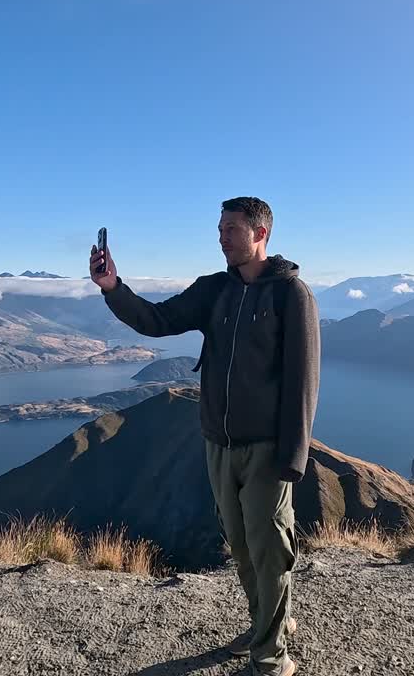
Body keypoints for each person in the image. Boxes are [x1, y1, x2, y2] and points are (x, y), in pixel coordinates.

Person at [90, 196, 319, 676]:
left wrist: (293, 456)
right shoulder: (213, 290)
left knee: (269, 547)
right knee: (239, 545)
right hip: (218, 442)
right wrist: (113, 287)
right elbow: (157, 321)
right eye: (219, 228)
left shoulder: (290, 295)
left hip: (266, 449)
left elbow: (304, 378)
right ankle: (268, 621)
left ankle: (271, 655)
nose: (221, 237)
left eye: (231, 229)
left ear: (260, 233)